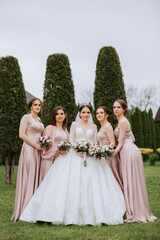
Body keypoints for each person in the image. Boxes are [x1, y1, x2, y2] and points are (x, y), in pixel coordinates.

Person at [20, 104, 126, 226]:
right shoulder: (74, 125)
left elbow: (95, 142)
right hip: (75, 155)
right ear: (79, 113)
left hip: (90, 155)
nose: (86, 115)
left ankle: (98, 215)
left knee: (93, 184)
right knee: (65, 183)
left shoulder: (94, 126)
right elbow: (71, 140)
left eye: (88, 113)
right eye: (83, 112)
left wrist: (91, 149)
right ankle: (50, 214)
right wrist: (77, 149)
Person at [113, 99, 157, 223]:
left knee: (130, 179)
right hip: (130, 150)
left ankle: (134, 211)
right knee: (132, 179)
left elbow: (121, 143)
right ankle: (136, 207)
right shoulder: (122, 121)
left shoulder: (122, 122)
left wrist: (111, 154)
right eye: (114, 107)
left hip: (128, 152)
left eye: (118, 107)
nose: (115, 109)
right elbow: (133, 138)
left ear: (124, 109)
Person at [11, 98, 44, 222]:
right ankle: (23, 210)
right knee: (29, 176)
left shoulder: (39, 119)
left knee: (36, 176)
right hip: (30, 149)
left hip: (39, 150)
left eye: (39, 105)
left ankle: (33, 210)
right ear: (30, 106)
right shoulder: (26, 117)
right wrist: (36, 146)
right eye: (35, 105)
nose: (37, 107)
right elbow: (22, 134)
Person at [39, 106, 69, 183]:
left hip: (61, 159)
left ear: (65, 115)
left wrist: (64, 149)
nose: (59, 116)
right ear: (54, 116)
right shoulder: (50, 128)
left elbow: (68, 144)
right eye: (57, 114)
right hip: (50, 157)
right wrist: (58, 149)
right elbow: (46, 144)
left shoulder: (65, 130)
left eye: (61, 114)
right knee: (48, 180)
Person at [96, 106, 123, 190]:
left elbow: (113, 143)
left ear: (106, 115)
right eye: (97, 113)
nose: (99, 115)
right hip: (103, 155)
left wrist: (103, 151)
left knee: (112, 180)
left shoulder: (107, 126)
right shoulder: (102, 126)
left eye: (101, 113)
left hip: (109, 156)